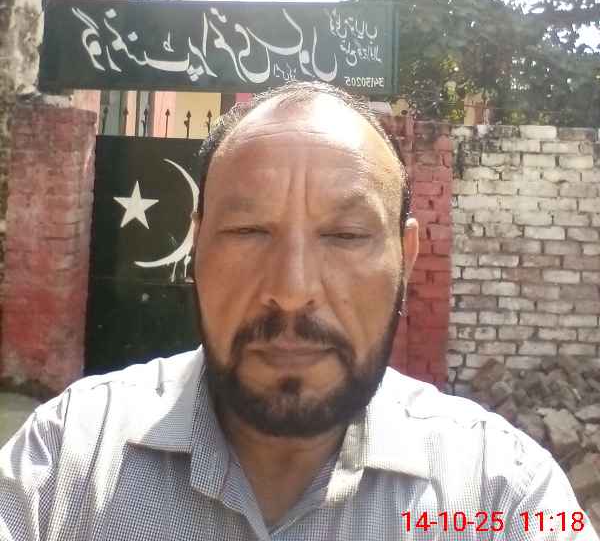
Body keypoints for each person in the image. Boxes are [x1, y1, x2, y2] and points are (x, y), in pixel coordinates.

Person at [0, 81, 596, 540]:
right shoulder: (63, 464)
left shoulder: (504, 495)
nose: (291, 290)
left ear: (407, 258)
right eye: (248, 231)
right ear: (196, 247)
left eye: (345, 236)